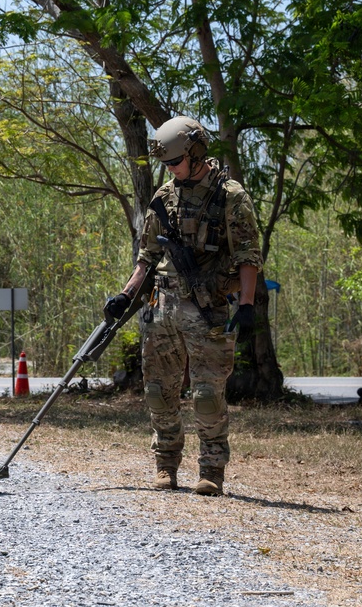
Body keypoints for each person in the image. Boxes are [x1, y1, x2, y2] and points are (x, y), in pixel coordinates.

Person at [104, 116, 263, 496]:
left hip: (207, 309)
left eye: (175, 162)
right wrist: (126, 294)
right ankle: (166, 465)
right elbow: (147, 257)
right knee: (158, 392)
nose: (171, 169)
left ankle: (211, 470)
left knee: (207, 396)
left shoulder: (230, 196)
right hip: (162, 307)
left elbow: (248, 255)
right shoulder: (163, 197)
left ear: (196, 153)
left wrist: (246, 304)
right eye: (166, 164)